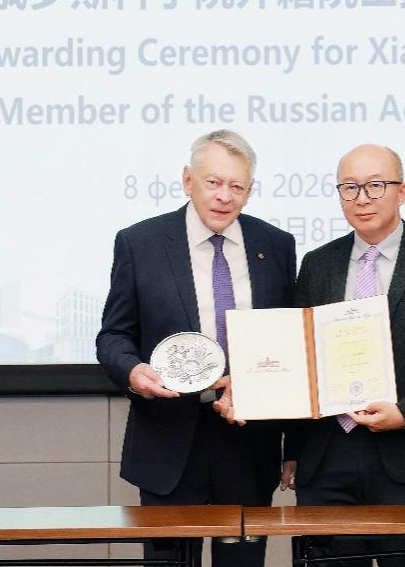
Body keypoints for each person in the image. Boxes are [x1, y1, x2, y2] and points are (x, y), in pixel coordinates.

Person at [96, 129, 296, 567]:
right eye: (213, 182)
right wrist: (133, 371)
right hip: (168, 439)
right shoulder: (140, 243)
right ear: (188, 180)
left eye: (237, 186)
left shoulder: (276, 246)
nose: (225, 196)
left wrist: (293, 441)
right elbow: (113, 336)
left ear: (250, 190)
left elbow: (289, 342)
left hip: (249, 441)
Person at [286, 143, 405, 567]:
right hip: (326, 454)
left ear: (402, 191)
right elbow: (301, 356)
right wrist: (291, 447)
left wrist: (404, 412)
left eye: (375, 185)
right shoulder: (318, 263)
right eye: (349, 187)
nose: (362, 198)